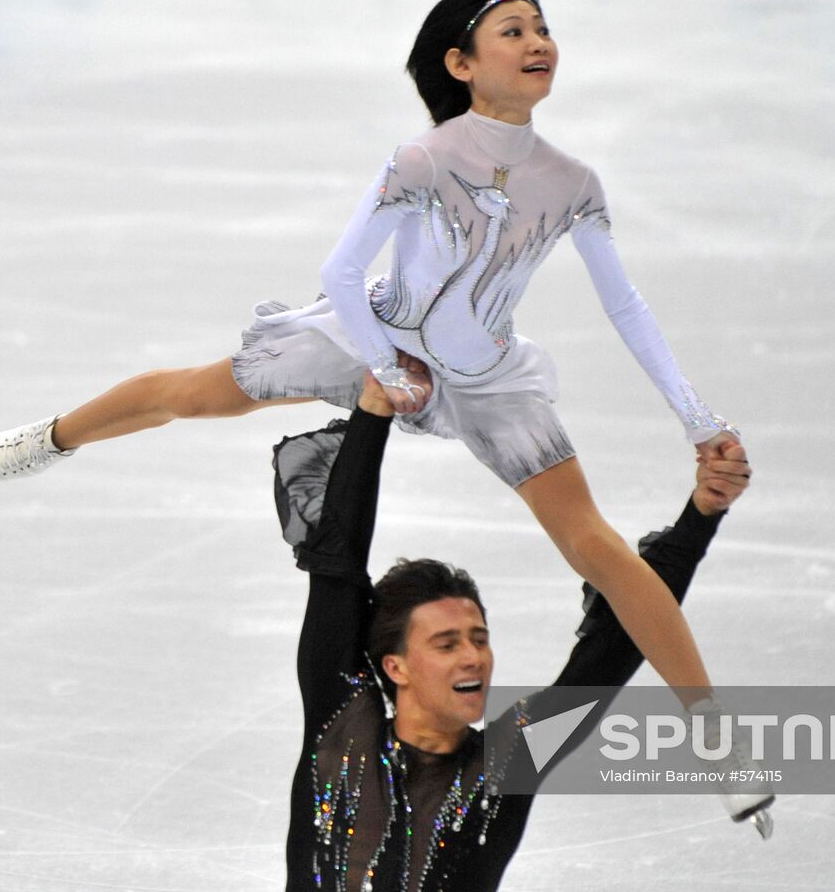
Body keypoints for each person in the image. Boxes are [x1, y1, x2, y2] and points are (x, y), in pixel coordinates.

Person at [0, 0, 739, 706]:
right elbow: (342, 274)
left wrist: (696, 421)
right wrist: (384, 364)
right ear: (461, 63)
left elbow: (624, 306)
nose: (538, 43)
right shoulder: (421, 159)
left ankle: (717, 740)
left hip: (490, 377)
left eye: (543, 29)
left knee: (596, 548)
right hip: (370, 333)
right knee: (200, 394)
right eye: (512, 31)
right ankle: (44, 441)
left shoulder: (572, 183)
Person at [276, 370, 768, 891]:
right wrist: (373, 411)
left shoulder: (506, 765)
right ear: (395, 666)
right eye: (446, 644)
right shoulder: (343, 725)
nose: (473, 657)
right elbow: (338, 567)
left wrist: (703, 513)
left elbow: (616, 645)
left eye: (479, 638)